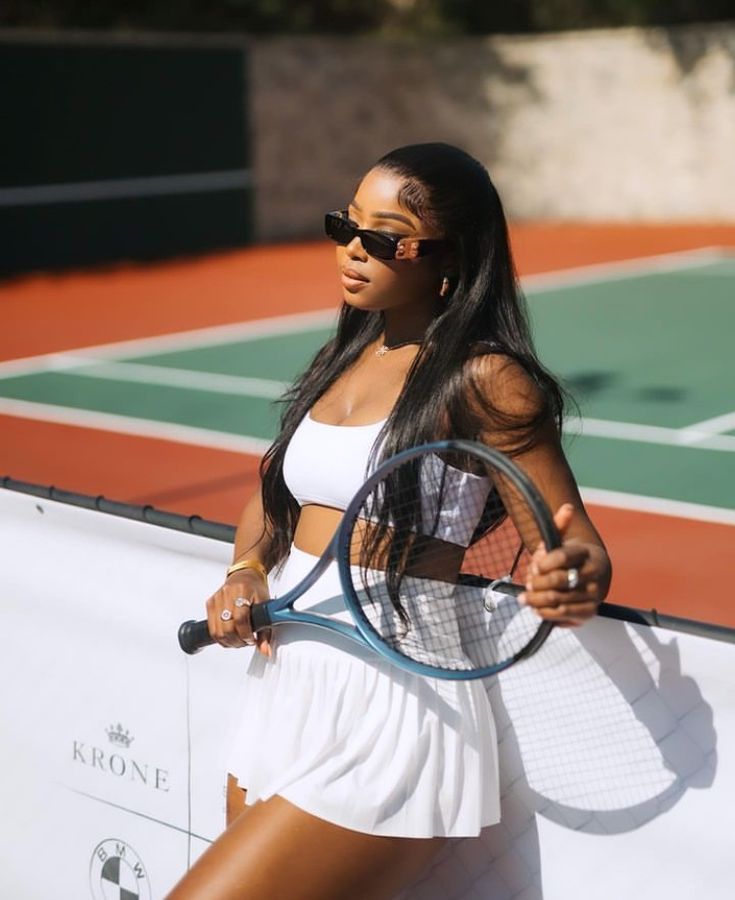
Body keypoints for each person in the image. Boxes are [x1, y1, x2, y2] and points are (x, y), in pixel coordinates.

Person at [167, 142, 612, 900]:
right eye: (346, 225)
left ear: (451, 257)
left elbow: (571, 545)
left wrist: (568, 576)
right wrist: (242, 572)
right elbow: (277, 504)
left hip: (393, 704)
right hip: (288, 684)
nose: (352, 249)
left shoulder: (486, 379)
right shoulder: (344, 357)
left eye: (385, 236)